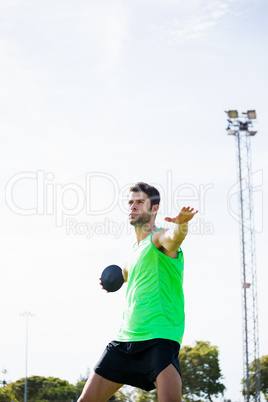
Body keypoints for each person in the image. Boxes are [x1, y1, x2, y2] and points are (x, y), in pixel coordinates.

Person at [78, 182, 198, 402]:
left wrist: (181, 225)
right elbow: (123, 275)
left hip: (158, 340)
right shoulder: (134, 253)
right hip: (124, 341)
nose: (132, 206)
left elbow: (174, 239)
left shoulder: (159, 238)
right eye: (131, 202)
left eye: (140, 202)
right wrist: (110, 281)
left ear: (154, 209)